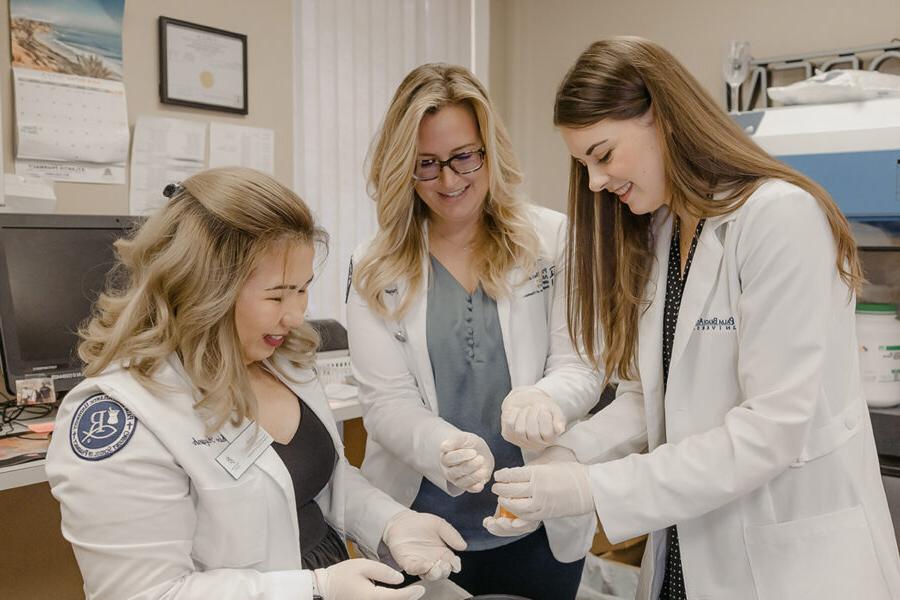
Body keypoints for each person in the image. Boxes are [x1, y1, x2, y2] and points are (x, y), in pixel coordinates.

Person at [491, 36, 900, 600]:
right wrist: (566, 457)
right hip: (687, 552)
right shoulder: (664, 234)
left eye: (603, 155)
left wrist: (591, 486)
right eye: (583, 163)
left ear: (660, 115)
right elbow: (645, 397)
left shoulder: (778, 218)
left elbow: (769, 430)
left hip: (786, 566)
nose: (594, 183)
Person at [46, 167, 467, 600]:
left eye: (302, 290)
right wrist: (316, 587)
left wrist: (390, 522)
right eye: (276, 295)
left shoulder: (283, 359)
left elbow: (320, 480)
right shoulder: (123, 415)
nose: (295, 315)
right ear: (204, 289)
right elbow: (145, 594)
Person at [345, 63, 602, 600]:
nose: (448, 180)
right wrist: (442, 445)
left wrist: (543, 398)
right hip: (421, 527)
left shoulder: (554, 238)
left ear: (490, 149)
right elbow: (385, 401)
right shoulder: (374, 265)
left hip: (536, 519)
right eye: (426, 164)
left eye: (464, 156)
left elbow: (581, 363)